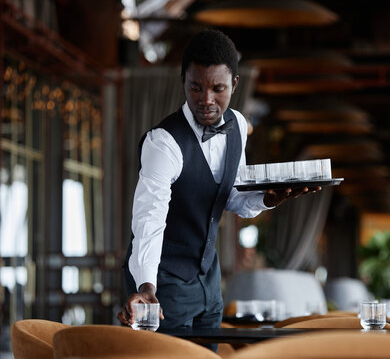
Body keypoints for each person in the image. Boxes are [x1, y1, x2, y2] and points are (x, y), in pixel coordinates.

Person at [117, 29, 319, 351]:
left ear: (234, 85)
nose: (206, 99)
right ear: (183, 80)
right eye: (195, 87)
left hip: (209, 282)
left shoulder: (238, 126)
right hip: (162, 281)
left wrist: (268, 199)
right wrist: (146, 284)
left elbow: (232, 196)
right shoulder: (163, 143)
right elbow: (148, 220)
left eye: (218, 88)